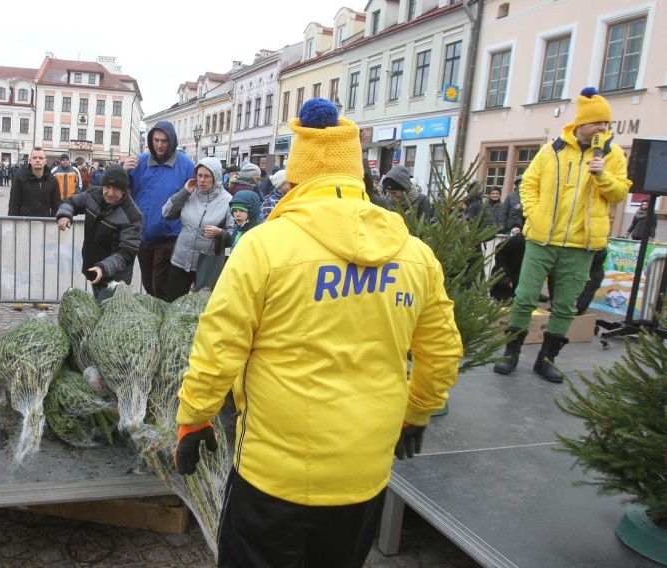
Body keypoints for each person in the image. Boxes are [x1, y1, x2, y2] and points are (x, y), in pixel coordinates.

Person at [173, 98, 463, 568]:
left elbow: (219, 344)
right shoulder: (415, 255)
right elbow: (442, 350)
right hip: (363, 473)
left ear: (295, 179)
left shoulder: (265, 247)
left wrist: (195, 418)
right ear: (360, 179)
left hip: (274, 473)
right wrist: (418, 412)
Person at [493, 87, 631, 382]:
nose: (603, 128)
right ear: (582, 123)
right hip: (542, 240)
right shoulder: (551, 151)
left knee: (566, 305)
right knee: (525, 297)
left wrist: (602, 175)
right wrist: (535, 212)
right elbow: (528, 184)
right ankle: (511, 353)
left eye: (607, 123)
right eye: (598, 122)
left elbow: (619, 192)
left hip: (581, 245)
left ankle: (547, 359)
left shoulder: (612, 155)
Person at [124, 121, 195, 301]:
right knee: (149, 284)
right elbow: (117, 189)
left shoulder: (185, 165)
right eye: (156, 140)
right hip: (143, 236)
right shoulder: (139, 162)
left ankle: (164, 321)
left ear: (171, 142)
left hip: (169, 236)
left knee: (160, 285)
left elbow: (195, 196)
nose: (159, 144)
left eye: (164, 141)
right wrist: (123, 171)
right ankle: (157, 316)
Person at [56, 164, 143, 303]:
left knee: (105, 316)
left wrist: (103, 267)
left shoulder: (132, 215)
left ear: (124, 191)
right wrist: (65, 214)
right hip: (95, 268)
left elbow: (127, 252)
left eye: (116, 189)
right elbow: (72, 202)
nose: (110, 192)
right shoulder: (93, 194)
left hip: (115, 277)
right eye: (107, 187)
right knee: (98, 309)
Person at [160, 156, 233, 302]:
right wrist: (184, 192)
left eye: (207, 176)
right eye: (199, 175)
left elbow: (234, 234)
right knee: (173, 303)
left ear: (217, 177)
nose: (202, 180)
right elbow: (166, 213)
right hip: (180, 260)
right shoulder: (190, 194)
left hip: (207, 264)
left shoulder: (228, 200)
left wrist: (220, 233)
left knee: (202, 307)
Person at [8, 147, 61, 311]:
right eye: (35, 157)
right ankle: (19, 296)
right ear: (29, 160)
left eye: (40, 158)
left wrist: (55, 223)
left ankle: (37, 297)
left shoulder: (52, 180)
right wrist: (12, 225)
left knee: (39, 263)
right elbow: (14, 203)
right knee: (22, 261)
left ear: (46, 161)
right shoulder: (20, 178)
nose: (38, 160)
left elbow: (56, 204)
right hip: (23, 225)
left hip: (43, 227)